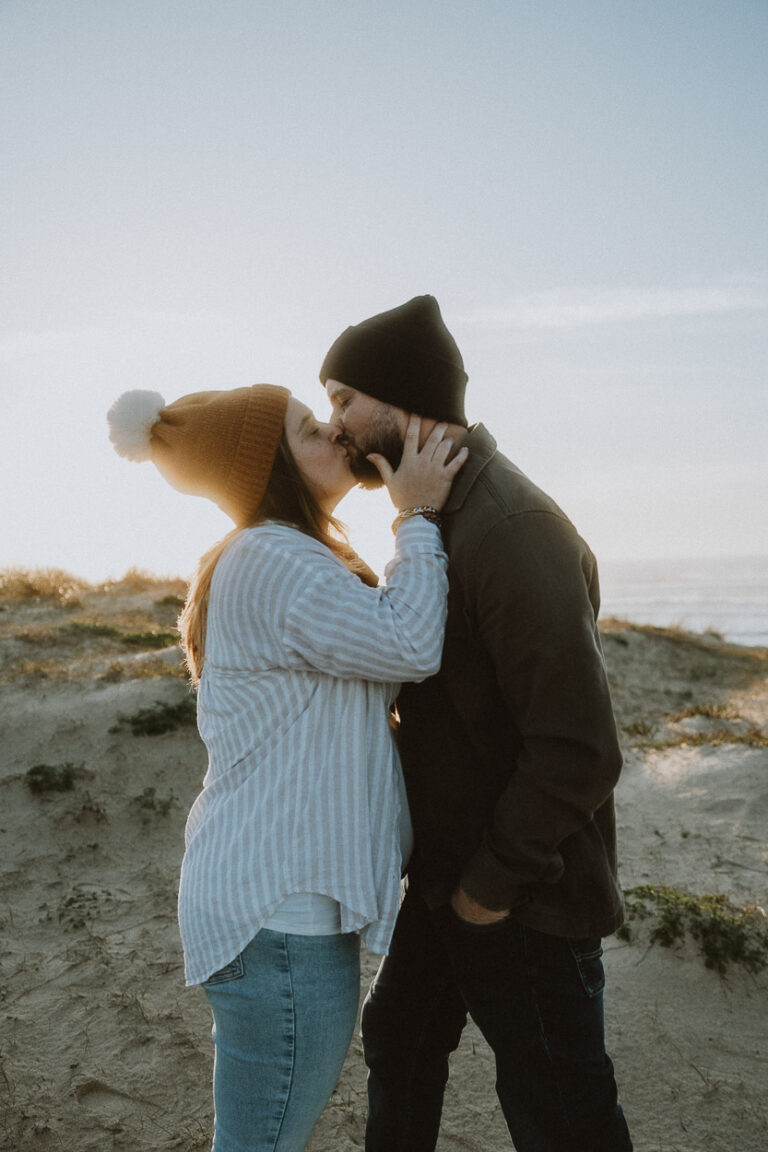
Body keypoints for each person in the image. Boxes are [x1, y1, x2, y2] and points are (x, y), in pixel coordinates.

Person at [106, 381, 467, 1152]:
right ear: (267, 466)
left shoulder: (279, 555)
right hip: (281, 918)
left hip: (275, 908)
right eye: (309, 429)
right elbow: (409, 646)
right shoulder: (273, 556)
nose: (335, 434)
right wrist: (418, 517)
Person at [320, 295, 634, 1152]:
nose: (332, 421)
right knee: (402, 1043)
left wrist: (487, 890)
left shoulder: (508, 526)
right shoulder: (435, 515)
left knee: (560, 1112)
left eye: (345, 399)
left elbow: (579, 748)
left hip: (521, 895)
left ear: (406, 398)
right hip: (449, 879)